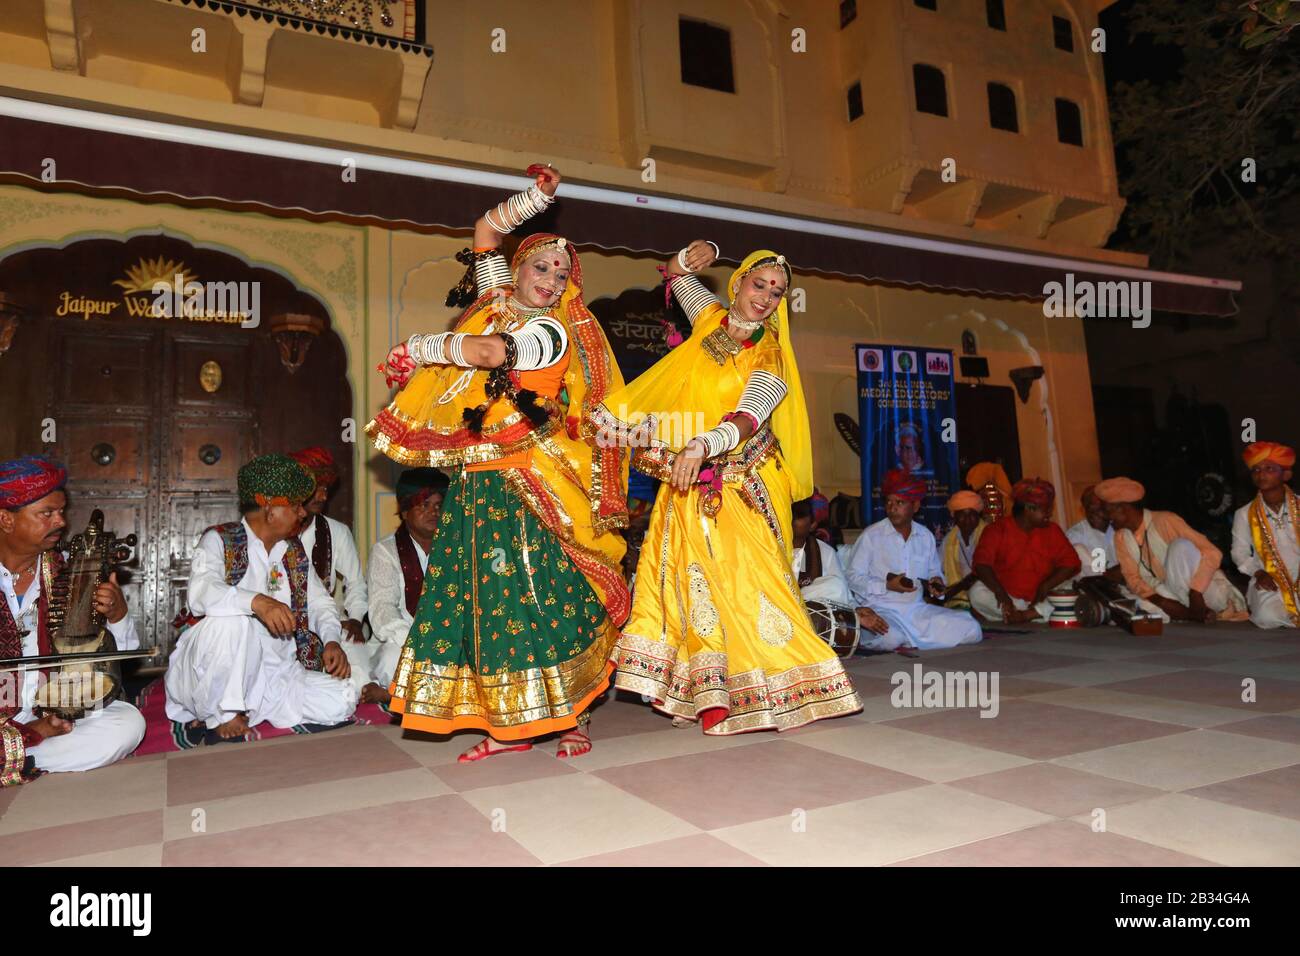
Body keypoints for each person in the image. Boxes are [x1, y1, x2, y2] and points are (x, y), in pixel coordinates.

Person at [368, 165, 630, 761]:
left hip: (530, 482)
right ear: (517, 270)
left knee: (547, 598)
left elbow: (490, 351)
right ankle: (508, 723)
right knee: (484, 603)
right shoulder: (492, 298)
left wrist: (421, 347)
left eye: (562, 273)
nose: (551, 279)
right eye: (541, 267)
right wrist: (534, 200)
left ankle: (572, 719)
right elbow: (486, 231)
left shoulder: (551, 332)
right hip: (474, 486)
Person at [595, 244, 862, 733]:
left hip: (746, 480)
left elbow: (750, 414)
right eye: (759, 285)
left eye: (777, 292)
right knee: (689, 580)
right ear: (737, 282)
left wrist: (703, 444)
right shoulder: (709, 319)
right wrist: (696, 254)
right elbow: (676, 276)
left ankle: (783, 685)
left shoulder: (770, 352)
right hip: (689, 477)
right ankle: (706, 690)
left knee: (749, 582)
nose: (766, 297)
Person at [164, 454, 358, 742]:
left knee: (343, 698)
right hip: (208, 671)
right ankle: (223, 712)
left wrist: (330, 639)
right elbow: (200, 594)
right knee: (232, 622)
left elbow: (320, 603)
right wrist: (257, 602)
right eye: (295, 506)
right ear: (271, 508)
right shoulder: (219, 539)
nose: (303, 513)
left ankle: (250, 709)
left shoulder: (293, 551)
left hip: (273, 674)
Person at [0, 456, 145, 785]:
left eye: (61, 511)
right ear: (6, 520)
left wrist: (118, 615)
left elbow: (117, 659)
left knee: (127, 723)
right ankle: (22, 749)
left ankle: (23, 757)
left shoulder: (66, 571)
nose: (61, 522)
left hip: (49, 707)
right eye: (46, 513)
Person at [846, 468, 983, 650]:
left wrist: (936, 583)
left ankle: (911, 639)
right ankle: (907, 638)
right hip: (881, 609)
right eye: (889, 502)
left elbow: (934, 572)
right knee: (891, 637)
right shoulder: (871, 536)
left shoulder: (925, 536)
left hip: (916, 610)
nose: (892, 508)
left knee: (972, 629)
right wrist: (886, 585)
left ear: (915, 506)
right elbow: (852, 578)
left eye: (900, 502)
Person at [1096, 476, 1247, 624]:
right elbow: (1133, 579)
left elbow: (1213, 552)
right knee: (1129, 601)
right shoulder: (1121, 537)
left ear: (1123, 508)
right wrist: (1161, 601)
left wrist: (1195, 593)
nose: (1104, 516)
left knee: (1180, 547)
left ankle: (1195, 611)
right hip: (1170, 595)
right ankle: (1191, 614)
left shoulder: (1165, 520)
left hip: (1205, 592)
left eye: (1107, 511)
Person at [364, 468, 448, 704]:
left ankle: (397, 697)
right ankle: (415, 698)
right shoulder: (385, 551)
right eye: (424, 505)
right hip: (403, 642)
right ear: (404, 510)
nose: (433, 512)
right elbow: (383, 610)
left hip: (446, 642)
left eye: (439, 506)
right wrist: (420, 643)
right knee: (392, 658)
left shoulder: (455, 549)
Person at [969, 478, 1081, 624]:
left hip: (1042, 598)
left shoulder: (1052, 530)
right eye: (1046, 509)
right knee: (977, 593)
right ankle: (1029, 614)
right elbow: (981, 565)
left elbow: (1072, 564)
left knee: (1076, 586)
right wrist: (1001, 594)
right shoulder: (997, 529)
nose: (1050, 514)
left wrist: (1045, 585)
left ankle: (1024, 615)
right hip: (1009, 598)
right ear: (1029, 508)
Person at [289, 446, 368, 647]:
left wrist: (356, 620)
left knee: (358, 667)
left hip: (330, 621)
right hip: (282, 625)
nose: (323, 497)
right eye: (317, 489)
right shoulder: (275, 532)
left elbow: (356, 583)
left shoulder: (337, 532)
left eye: (326, 490)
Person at [1230, 442, 1298, 629]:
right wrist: (1258, 573)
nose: (1261, 474)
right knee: (1268, 617)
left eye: (1269, 469)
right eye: (1256, 470)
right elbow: (1239, 553)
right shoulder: (1244, 514)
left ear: (1286, 475)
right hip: (1270, 579)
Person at [1066, 484, 1124, 581]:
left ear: (1108, 507)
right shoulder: (1075, 535)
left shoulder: (1121, 528)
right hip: (1092, 589)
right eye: (1089, 510)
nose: (1093, 514)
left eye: (1099, 509)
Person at [939, 489, 985, 610]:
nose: (967, 519)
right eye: (962, 515)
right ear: (954, 517)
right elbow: (939, 569)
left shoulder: (989, 534)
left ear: (978, 515)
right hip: (958, 595)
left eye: (972, 514)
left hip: (986, 589)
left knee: (979, 594)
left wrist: (955, 589)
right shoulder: (948, 540)